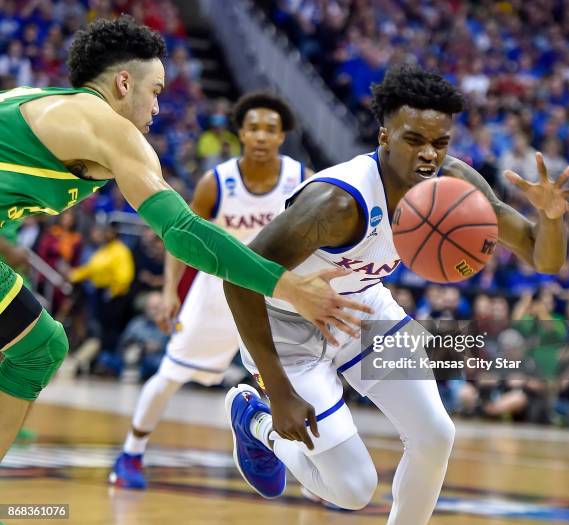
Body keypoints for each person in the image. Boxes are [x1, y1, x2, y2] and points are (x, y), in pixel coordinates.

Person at [223, 66, 569, 524]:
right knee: (353, 489)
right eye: (414, 140)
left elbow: (544, 259)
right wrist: (277, 394)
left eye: (440, 143)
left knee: (436, 435)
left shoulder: (455, 184)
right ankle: (253, 420)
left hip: (361, 309)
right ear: (384, 137)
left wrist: (551, 218)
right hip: (285, 327)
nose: (429, 155)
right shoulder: (337, 203)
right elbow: (238, 279)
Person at [0, 16, 369, 461]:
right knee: (40, 348)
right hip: (230, 283)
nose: (157, 107)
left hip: (229, 284)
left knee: (36, 344)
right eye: (154, 90)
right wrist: (288, 284)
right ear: (123, 82)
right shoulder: (111, 129)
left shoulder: (36, 102)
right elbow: (181, 230)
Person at [110, 91, 313, 488]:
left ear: (282, 136)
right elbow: (180, 236)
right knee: (170, 374)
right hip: (219, 292)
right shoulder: (216, 183)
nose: (260, 136)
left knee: (299, 382)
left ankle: (317, 476)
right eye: (252, 127)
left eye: (270, 129)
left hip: (275, 294)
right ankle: (130, 454)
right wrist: (171, 291)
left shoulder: (299, 178)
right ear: (240, 132)